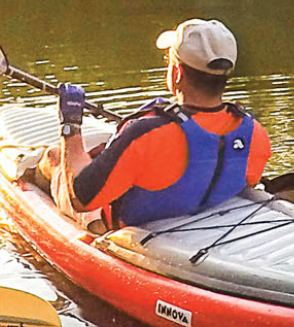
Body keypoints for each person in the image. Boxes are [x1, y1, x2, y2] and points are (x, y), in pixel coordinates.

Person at [37, 18, 272, 231]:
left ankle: (35, 180)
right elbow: (241, 179)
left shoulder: (145, 134)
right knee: (100, 150)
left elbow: (82, 198)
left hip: (122, 225)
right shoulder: (255, 133)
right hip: (204, 211)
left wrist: (71, 125)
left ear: (177, 72)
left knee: (54, 157)